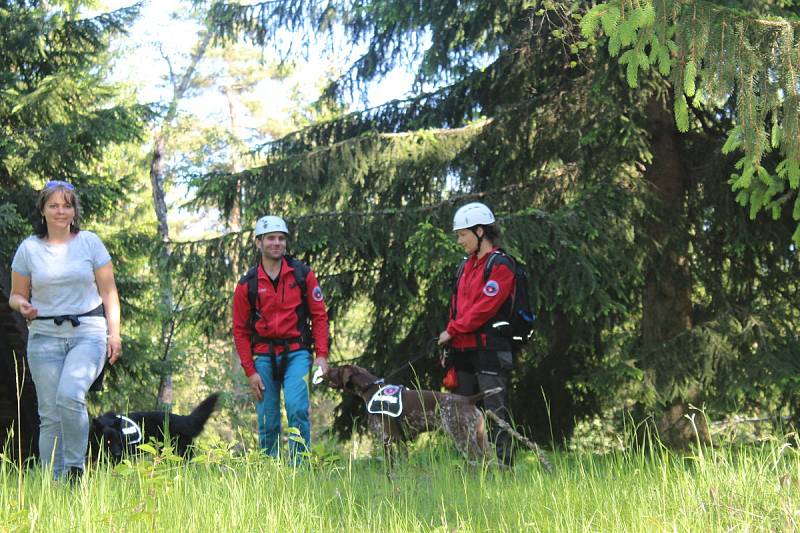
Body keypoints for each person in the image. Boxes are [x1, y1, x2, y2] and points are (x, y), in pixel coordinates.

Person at [9, 180, 122, 481]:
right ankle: (52, 485)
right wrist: (22, 305)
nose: (61, 211)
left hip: (87, 331)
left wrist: (115, 334)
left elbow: (109, 292)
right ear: (43, 211)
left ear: (74, 211)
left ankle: (75, 470)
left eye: (67, 205)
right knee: (49, 415)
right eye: (54, 205)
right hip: (43, 336)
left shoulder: (90, 243)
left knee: (71, 395)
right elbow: (16, 294)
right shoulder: (29, 249)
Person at [232, 215, 329, 463]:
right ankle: (270, 471)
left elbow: (319, 316)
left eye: (281, 238)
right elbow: (240, 330)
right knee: (268, 418)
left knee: (297, 409)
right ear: (258, 243)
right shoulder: (247, 284)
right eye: (271, 238)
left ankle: (300, 469)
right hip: (263, 356)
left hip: (297, 352)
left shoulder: (302, 274)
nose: (276, 243)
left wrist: (322, 356)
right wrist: (249, 371)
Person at [438, 201, 516, 466]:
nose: (459, 240)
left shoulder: (501, 266)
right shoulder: (465, 266)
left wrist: (453, 329)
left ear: (480, 232)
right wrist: (451, 336)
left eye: (463, 234)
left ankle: (505, 469)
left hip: (491, 352)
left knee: (496, 413)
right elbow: (458, 308)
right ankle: (472, 468)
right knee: (460, 413)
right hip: (463, 353)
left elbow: (484, 308)